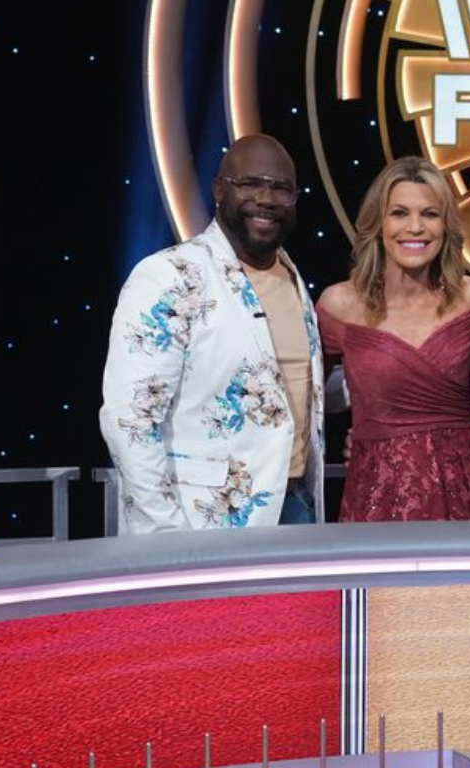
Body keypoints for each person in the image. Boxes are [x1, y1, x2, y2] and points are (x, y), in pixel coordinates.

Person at [100, 134, 324, 533]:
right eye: (250, 184)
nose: (266, 199)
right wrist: (167, 535)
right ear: (219, 189)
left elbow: (293, 387)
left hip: (296, 509)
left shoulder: (293, 279)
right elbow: (131, 418)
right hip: (200, 523)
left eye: (281, 189)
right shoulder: (170, 275)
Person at [316, 157, 470, 522]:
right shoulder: (339, 304)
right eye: (398, 213)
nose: (415, 227)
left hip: (457, 490)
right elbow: (306, 398)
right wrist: (361, 432)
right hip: (376, 490)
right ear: (378, 224)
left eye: (430, 214)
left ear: (445, 225)